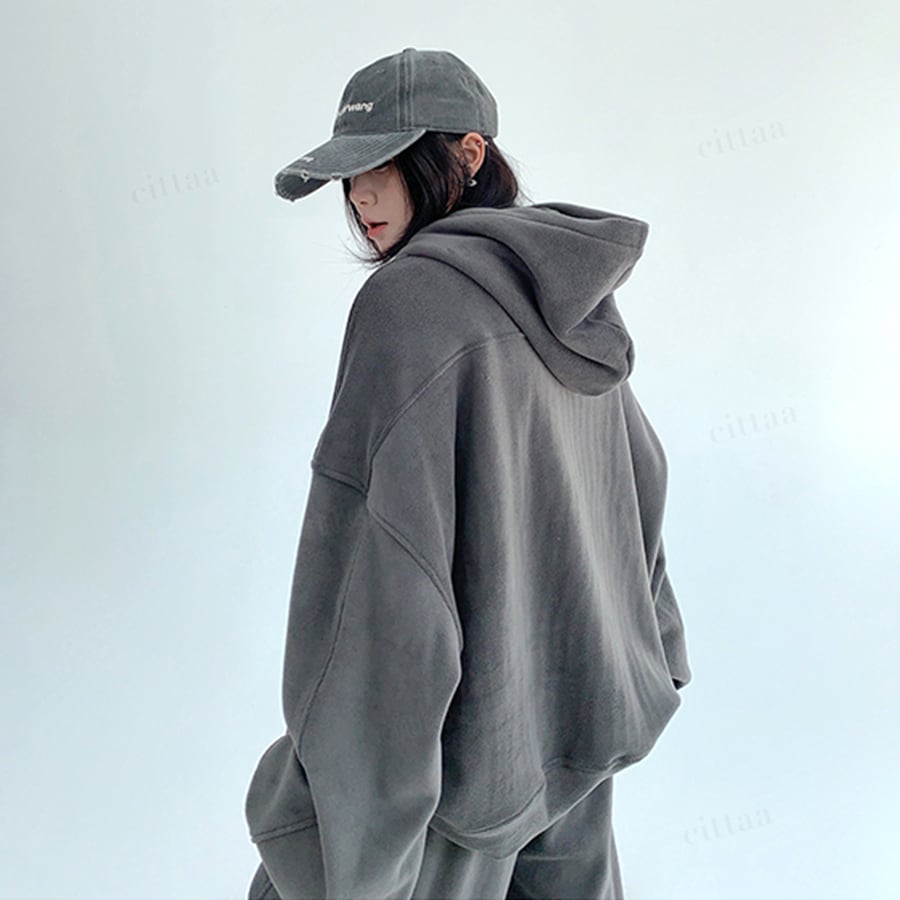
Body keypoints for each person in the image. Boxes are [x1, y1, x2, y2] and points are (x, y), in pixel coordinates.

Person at [244, 47, 692, 900]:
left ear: (469, 152)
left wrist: (347, 821)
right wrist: (653, 650)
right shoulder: (568, 293)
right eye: (348, 177)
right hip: (579, 730)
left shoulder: (408, 307)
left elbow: (376, 583)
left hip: (463, 775)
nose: (360, 197)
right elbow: (639, 481)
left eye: (382, 166)